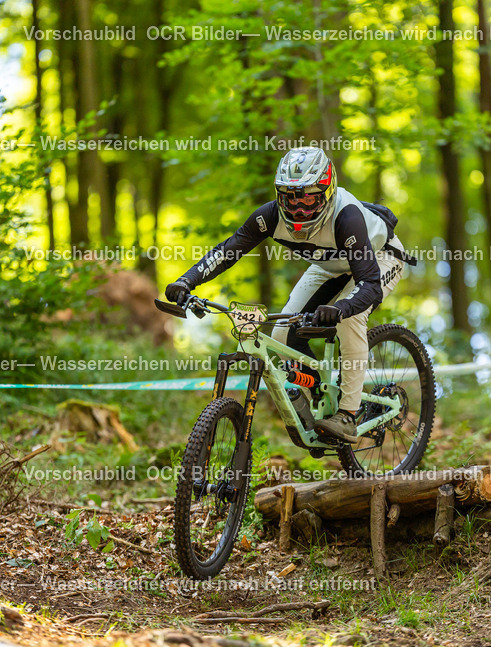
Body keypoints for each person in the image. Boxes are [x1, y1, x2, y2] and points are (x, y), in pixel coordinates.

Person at [164, 147, 412, 443]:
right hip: (328, 264)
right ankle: (322, 395)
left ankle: (347, 414)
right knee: (282, 335)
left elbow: (369, 283)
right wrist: (186, 281)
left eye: (308, 199)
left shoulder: (346, 217)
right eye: (290, 198)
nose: (298, 210)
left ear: (327, 190)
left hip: (380, 258)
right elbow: (229, 250)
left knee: (351, 319)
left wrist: (343, 307)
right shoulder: (270, 216)